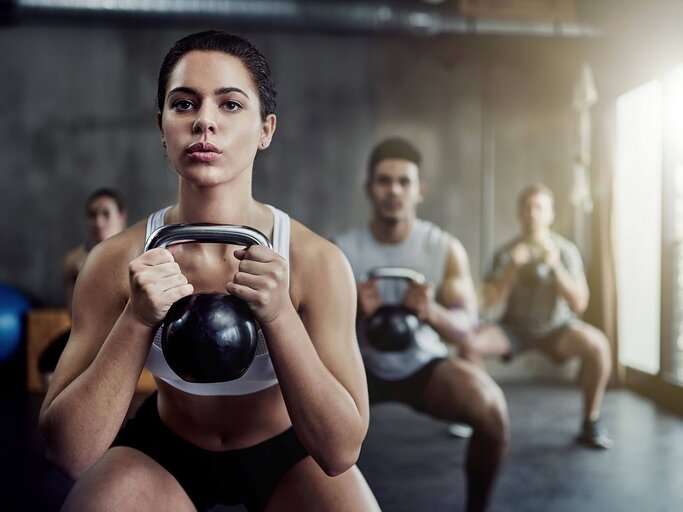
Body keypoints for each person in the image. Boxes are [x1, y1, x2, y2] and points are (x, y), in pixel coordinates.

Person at [39, 30, 379, 511]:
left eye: (230, 105)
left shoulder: (316, 262)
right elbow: (68, 452)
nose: (204, 121)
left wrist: (279, 315)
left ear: (266, 130)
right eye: (184, 104)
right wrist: (137, 318)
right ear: (162, 125)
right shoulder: (115, 262)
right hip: (167, 450)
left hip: (288, 453)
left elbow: (341, 450)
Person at [334, 138, 509, 512]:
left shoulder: (443, 248)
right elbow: (314, 328)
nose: (394, 191)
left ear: (420, 191)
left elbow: (468, 329)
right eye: (384, 181)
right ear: (369, 189)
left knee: (492, 412)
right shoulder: (341, 250)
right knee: (291, 422)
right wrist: (355, 312)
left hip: (421, 366)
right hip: (358, 368)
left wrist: (432, 312)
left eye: (404, 182)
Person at [466, 183, 614, 449]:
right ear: (519, 213)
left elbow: (579, 303)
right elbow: (488, 305)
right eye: (527, 208)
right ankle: (482, 412)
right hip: (514, 329)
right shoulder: (505, 253)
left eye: (539, 208)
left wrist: (555, 267)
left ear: (550, 214)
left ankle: (590, 422)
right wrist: (512, 268)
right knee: (468, 344)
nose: (532, 214)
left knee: (598, 346)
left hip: (557, 328)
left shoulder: (565, 251)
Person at [38, 188, 128, 388]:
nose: (98, 222)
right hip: (86, 332)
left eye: (106, 214)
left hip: (125, 332)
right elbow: (72, 307)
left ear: (121, 217)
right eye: (92, 215)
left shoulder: (133, 252)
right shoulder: (74, 260)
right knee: (47, 365)